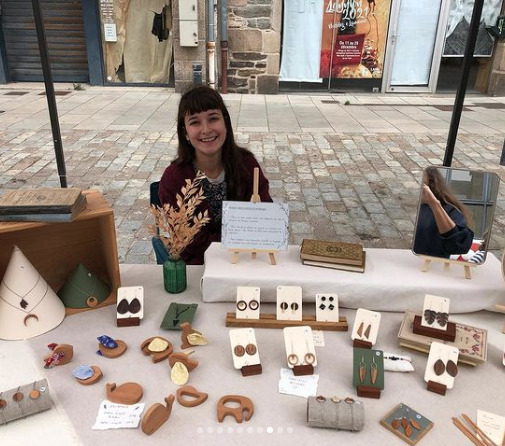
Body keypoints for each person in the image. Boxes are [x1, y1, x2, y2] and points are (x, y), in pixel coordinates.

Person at [157, 86, 272, 265]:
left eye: (213, 119)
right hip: (198, 267)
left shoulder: (247, 165)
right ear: (185, 133)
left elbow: (265, 219)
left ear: (225, 122)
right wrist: (241, 237)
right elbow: (190, 243)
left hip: (246, 263)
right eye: (195, 122)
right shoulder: (174, 179)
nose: (206, 129)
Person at [413, 166, 474, 258]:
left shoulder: (449, 210)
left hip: (431, 266)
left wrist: (433, 203)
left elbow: (458, 245)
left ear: (431, 182)